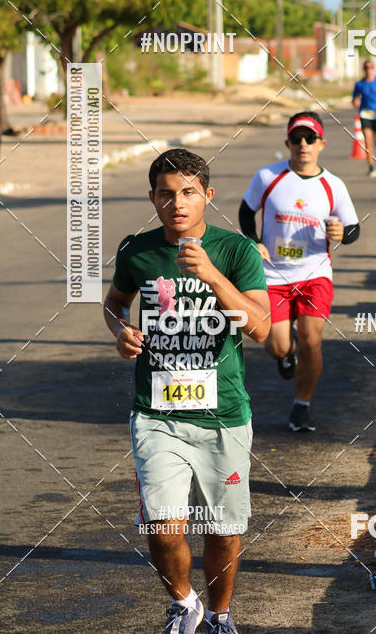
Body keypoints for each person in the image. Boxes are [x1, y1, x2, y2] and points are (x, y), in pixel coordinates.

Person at [104, 148, 270, 634]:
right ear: (152, 198)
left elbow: (260, 328)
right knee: (162, 524)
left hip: (224, 414)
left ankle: (219, 613)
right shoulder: (136, 250)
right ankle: (184, 603)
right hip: (157, 413)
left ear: (207, 196)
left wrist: (212, 275)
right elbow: (115, 302)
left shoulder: (235, 251)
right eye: (166, 194)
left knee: (224, 527)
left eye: (188, 193)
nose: (177, 203)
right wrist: (119, 330)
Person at [239, 111, 360, 432]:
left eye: (309, 139)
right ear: (287, 142)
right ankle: (286, 350)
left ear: (322, 144)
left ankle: (301, 406)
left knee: (312, 340)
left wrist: (341, 235)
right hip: (272, 275)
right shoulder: (267, 177)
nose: (302, 145)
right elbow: (245, 211)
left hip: (314, 274)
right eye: (296, 138)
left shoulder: (333, 185)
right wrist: (253, 242)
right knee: (276, 344)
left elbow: (352, 229)